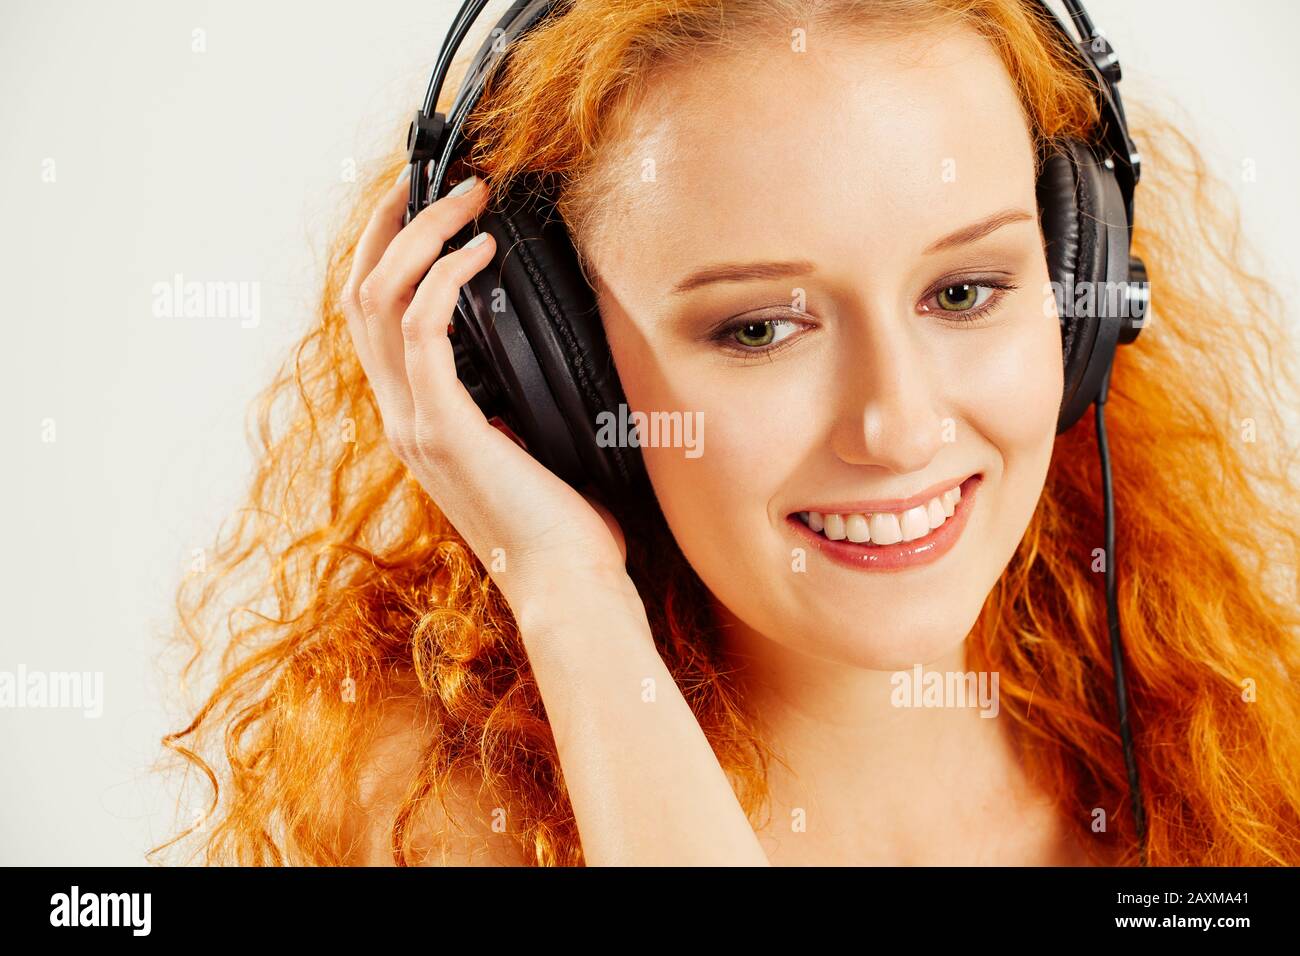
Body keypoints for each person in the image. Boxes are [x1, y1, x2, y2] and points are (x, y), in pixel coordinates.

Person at [150, 0, 1300, 866]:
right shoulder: (438, 809)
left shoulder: (1236, 725)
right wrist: (568, 595)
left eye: (962, 292)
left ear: (1078, 279)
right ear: (550, 364)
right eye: (759, 326)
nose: (897, 428)